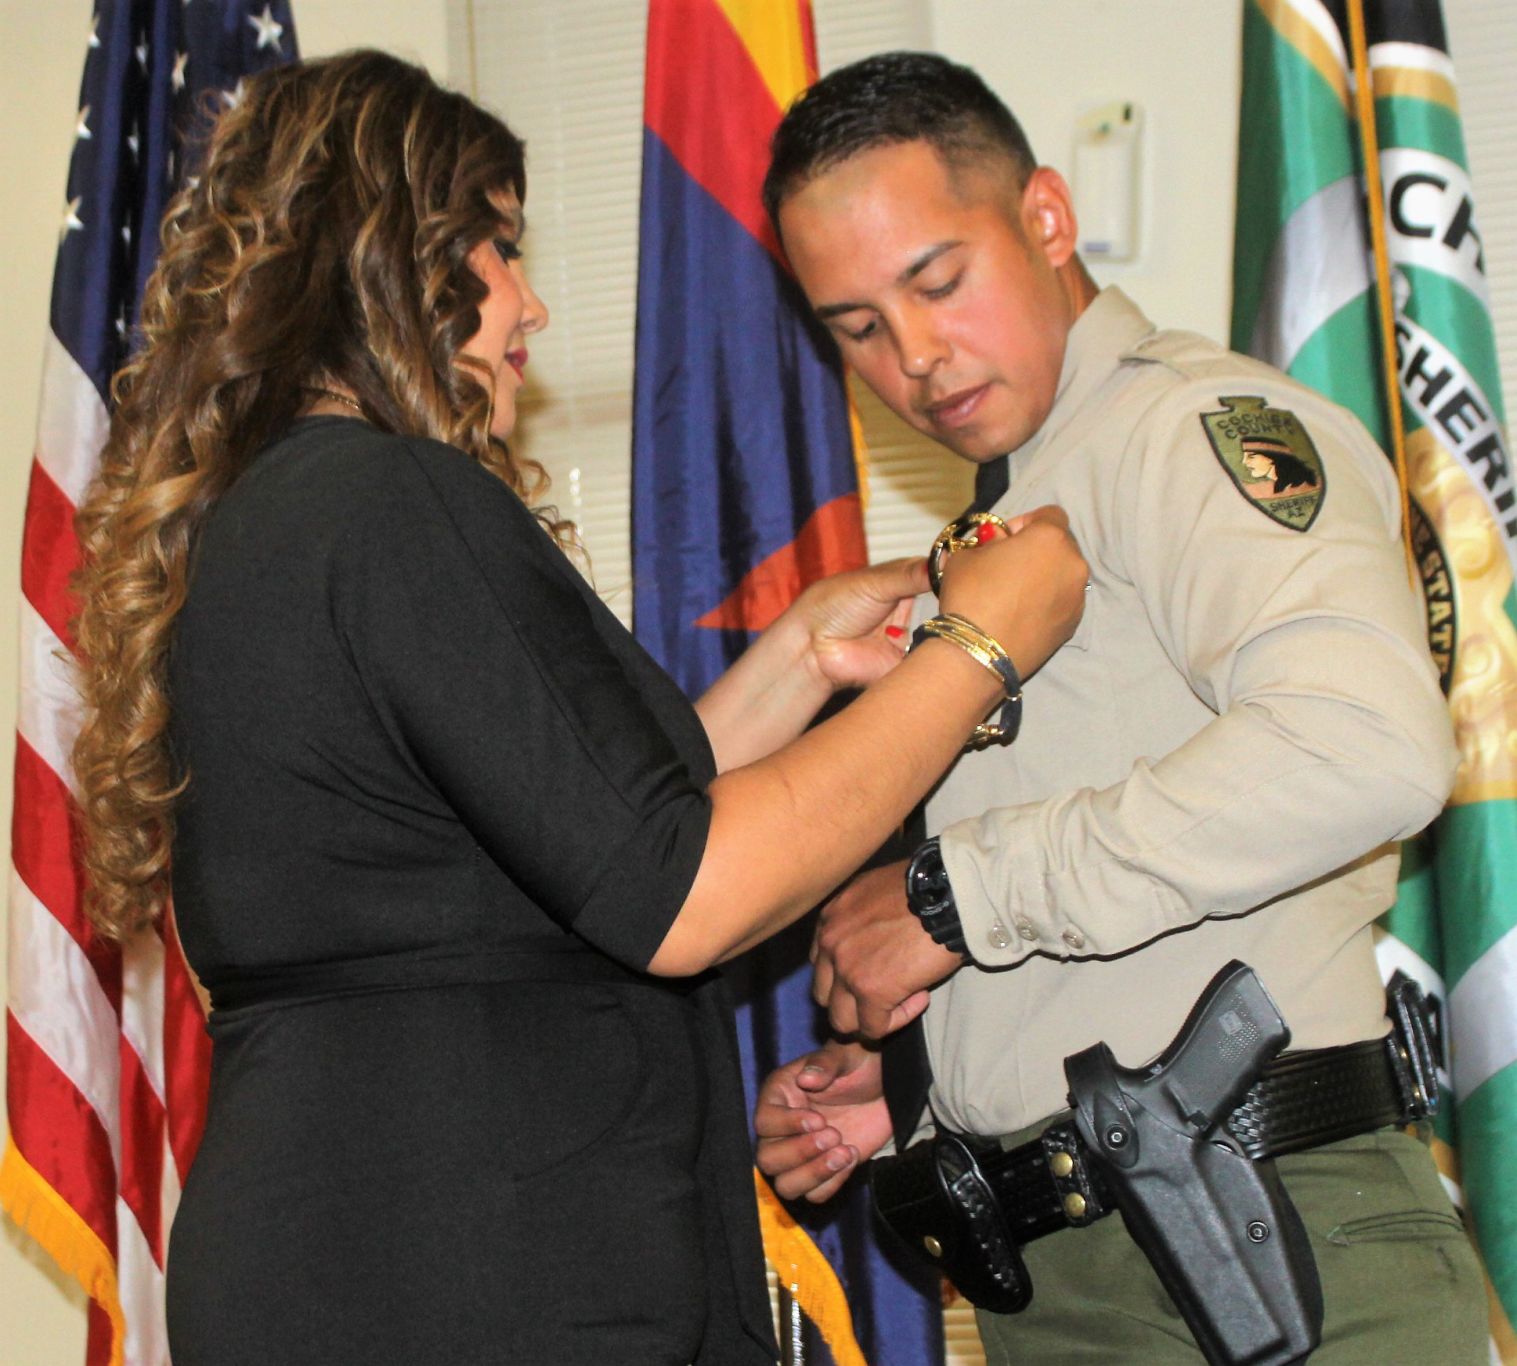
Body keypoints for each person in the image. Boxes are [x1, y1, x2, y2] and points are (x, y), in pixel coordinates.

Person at [69, 51, 1088, 1366]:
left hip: (359, 1247)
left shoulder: (279, 511)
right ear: (402, 254)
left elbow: (553, 825)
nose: (530, 305)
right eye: (498, 247)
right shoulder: (399, 499)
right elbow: (677, 891)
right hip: (477, 1265)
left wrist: (798, 658)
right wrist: (979, 646)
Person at [752, 51, 1487, 1362]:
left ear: (1041, 217)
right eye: (856, 324)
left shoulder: (1191, 431)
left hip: (1272, 1241)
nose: (912, 354)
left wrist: (950, 899)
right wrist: (934, 1078)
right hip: (1084, 1253)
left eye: (936, 280)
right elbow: (1140, 888)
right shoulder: (1001, 513)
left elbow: (1363, 747)